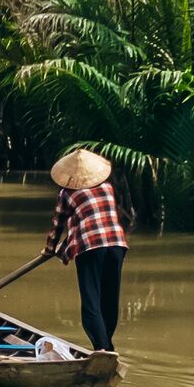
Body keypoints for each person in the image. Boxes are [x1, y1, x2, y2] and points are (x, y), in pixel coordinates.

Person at [43, 147, 130, 353]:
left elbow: (58, 225)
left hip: (90, 246)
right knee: (109, 298)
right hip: (116, 243)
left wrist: (49, 249)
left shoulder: (67, 193)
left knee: (91, 301)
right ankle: (107, 346)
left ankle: (101, 348)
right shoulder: (107, 187)